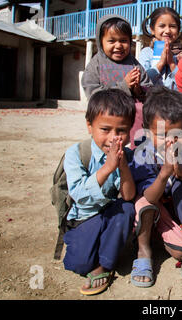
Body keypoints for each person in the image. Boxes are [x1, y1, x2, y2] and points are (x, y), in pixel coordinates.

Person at [129, 86, 182, 287]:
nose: (170, 141)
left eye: (177, 135)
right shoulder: (143, 151)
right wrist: (165, 173)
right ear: (148, 131)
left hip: (173, 210)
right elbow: (149, 196)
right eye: (161, 134)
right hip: (154, 204)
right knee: (143, 204)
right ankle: (143, 251)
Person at [62, 89, 137, 296]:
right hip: (85, 218)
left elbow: (129, 195)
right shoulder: (77, 153)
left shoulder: (128, 155)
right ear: (90, 126)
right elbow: (78, 194)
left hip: (111, 215)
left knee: (126, 209)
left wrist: (122, 167)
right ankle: (90, 247)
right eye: (105, 129)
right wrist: (107, 168)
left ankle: (105, 264)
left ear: (131, 129)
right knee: (78, 264)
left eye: (121, 130)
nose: (114, 138)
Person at [81, 14, 152, 149]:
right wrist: (124, 86)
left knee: (133, 152)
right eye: (112, 41)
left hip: (132, 124)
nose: (118, 46)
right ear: (101, 41)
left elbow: (149, 88)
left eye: (123, 40)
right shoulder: (96, 65)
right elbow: (93, 94)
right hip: (107, 119)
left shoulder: (134, 64)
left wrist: (138, 89)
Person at [139, 7, 182, 90]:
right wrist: (161, 63)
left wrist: (172, 63)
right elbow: (143, 83)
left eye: (172, 26)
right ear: (152, 29)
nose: (167, 30)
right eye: (162, 26)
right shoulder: (146, 53)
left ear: (178, 30)